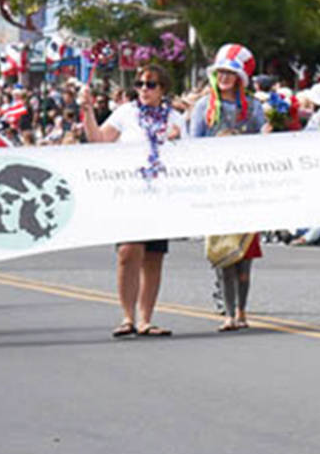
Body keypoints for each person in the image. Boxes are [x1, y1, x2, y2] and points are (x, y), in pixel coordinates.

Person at [78, 66, 185, 338]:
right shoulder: (127, 113)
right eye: (140, 84)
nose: (144, 90)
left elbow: (190, 158)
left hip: (160, 194)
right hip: (129, 193)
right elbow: (99, 140)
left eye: (151, 84)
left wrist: (176, 140)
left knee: (153, 256)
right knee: (128, 251)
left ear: (163, 89)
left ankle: (145, 318)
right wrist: (88, 111)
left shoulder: (175, 118)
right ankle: (127, 317)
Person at [190, 43, 273, 331]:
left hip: (246, 187)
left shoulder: (251, 107)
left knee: (245, 257)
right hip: (216, 188)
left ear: (240, 78)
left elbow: (265, 142)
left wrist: (268, 133)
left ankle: (242, 310)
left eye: (231, 73)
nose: (225, 77)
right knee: (224, 254)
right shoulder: (204, 107)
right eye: (221, 72)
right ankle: (227, 312)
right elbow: (193, 146)